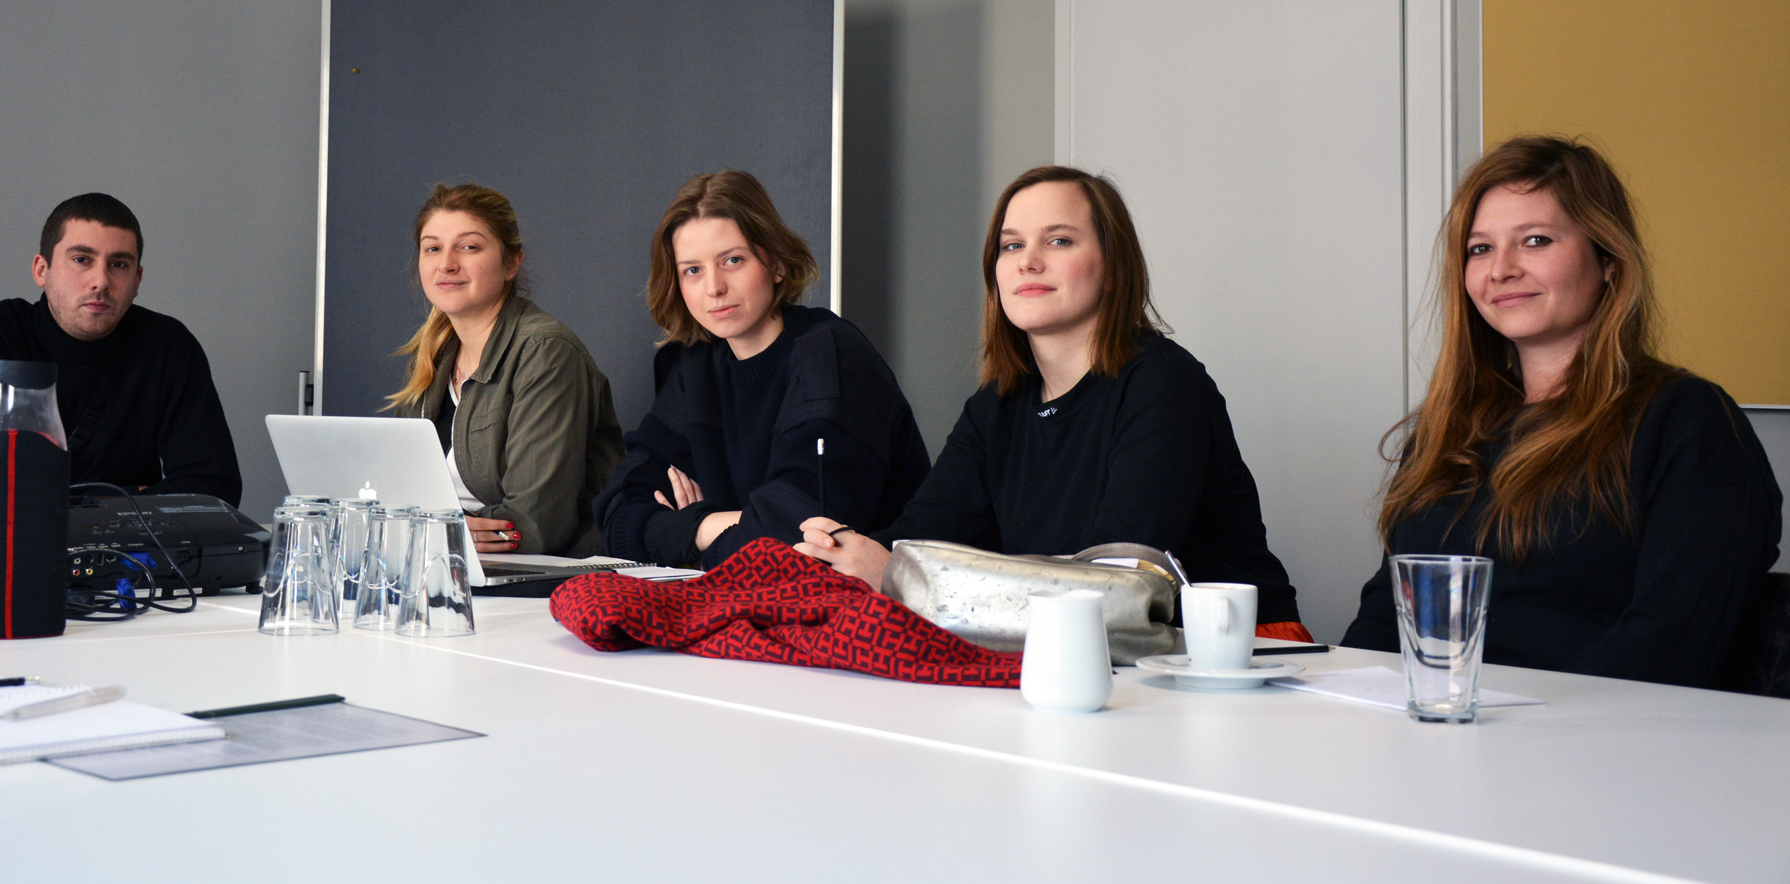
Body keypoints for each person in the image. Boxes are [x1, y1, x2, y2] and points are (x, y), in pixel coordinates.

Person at [1339, 136, 1781, 687]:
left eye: (1535, 240)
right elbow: (1386, 617)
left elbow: (1670, 647)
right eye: (1479, 249)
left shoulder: (1688, 422)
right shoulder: (1448, 430)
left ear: (1610, 261)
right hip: (1433, 735)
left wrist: (1524, 730)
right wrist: (1344, 703)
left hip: (1598, 748)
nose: (1501, 269)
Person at [796, 165, 1308, 639]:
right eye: (1011, 245)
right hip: (1074, 651)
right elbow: (920, 541)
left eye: (1058, 240)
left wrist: (899, 577)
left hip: (1236, 656)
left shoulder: (1164, 383)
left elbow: (1115, 589)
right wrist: (844, 553)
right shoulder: (993, 407)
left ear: (1112, 264)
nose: (1029, 262)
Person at [595, 170, 930, 569]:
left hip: (865, 614)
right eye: (693, 270)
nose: (713, 288)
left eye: (732, 260)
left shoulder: (829, 356)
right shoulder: (695, 365)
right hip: (748, 607)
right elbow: (617, 520)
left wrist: (688, 527)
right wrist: (723, 524)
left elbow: (797, 541)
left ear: (777, 264)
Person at [0, 193, 241, 535]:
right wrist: (128, 498)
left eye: (118, 264)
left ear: (137, 281)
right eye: (81, 259)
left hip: (106, 571)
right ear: (42, 270)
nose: (101, 281)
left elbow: (213, 496)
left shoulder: (168, 346)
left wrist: (35, 503)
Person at [388, 183, 622, 557]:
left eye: (468, 247)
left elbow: (536, 525)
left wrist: (433, 532)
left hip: (543, 583)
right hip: (452, 568)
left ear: (512, 262)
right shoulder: (432, 356)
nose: (447, 263)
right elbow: (398, 501)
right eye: (433, 248)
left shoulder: (545, 350)